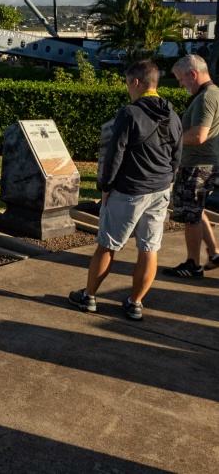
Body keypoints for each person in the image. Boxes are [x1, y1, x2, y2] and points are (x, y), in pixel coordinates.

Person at [69, 60, 182, 320]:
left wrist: (106, 187)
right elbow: (177, 156)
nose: (128, 89)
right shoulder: (172, 115)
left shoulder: (129, 113)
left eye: (128, 83)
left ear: (136, 82)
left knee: (107, 246)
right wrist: (167, 180)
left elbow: (114, 154)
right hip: (160, 190)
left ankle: (89, 296)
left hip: (130, 190)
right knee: (149, 248)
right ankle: (135, 303)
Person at [164, 53, 219, 277]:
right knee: (197, 210)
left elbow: (198, 136)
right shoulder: (214, 93)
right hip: (206, 164)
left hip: (197, 165)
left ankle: (193, 264)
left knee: (189, 216)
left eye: (181, 79)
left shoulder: (206, 97)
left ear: (193, 74)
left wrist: (168, 139)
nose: (181, 84)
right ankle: (214, 253)